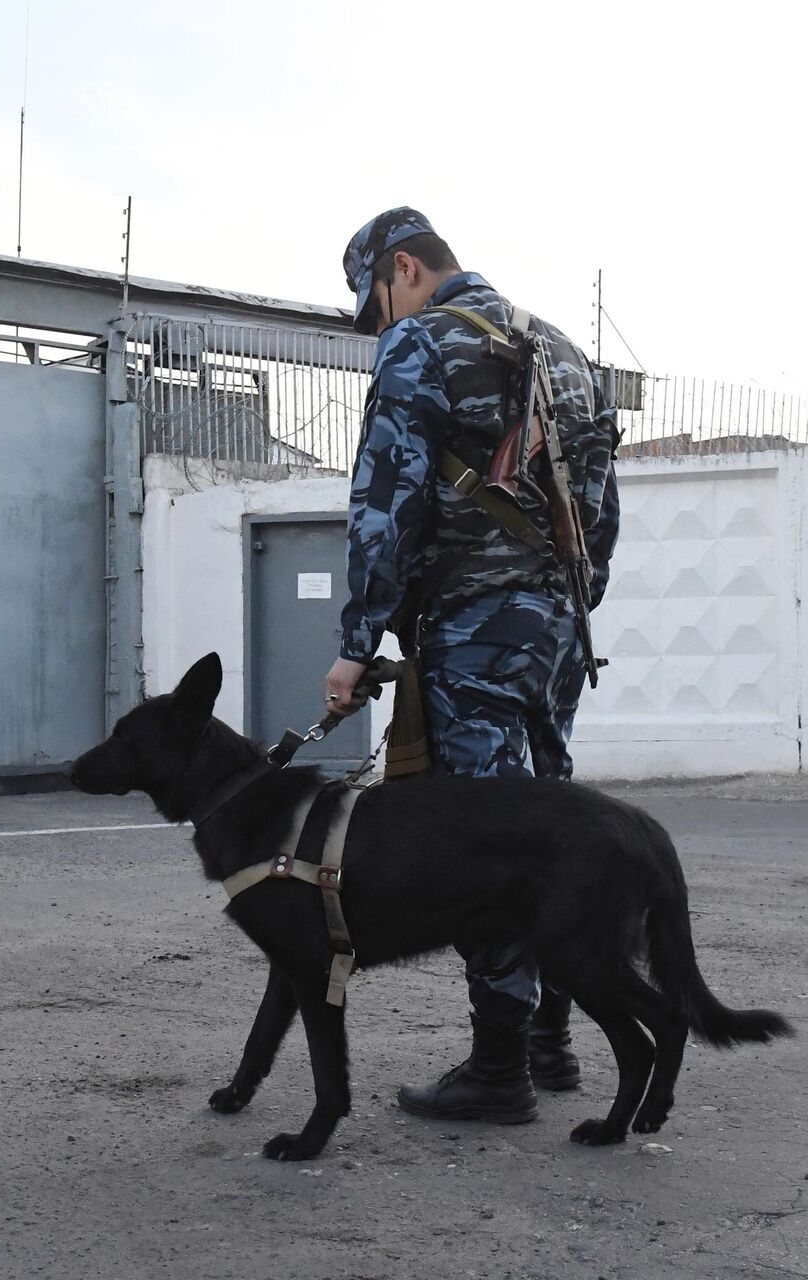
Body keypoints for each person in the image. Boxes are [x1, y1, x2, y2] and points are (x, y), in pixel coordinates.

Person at [323, 207, 620, 1124]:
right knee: (548, 824)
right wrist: (568, 602)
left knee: (483, 839)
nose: (381, 328)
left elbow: (387, 499)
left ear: (401, 269)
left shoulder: (421, 344)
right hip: (557, 630)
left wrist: (355, 643)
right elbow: (601, 505)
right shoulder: (565, 350)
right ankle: (551, 1042)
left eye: (376, 306)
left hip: (474, 631)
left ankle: (500, 1071)